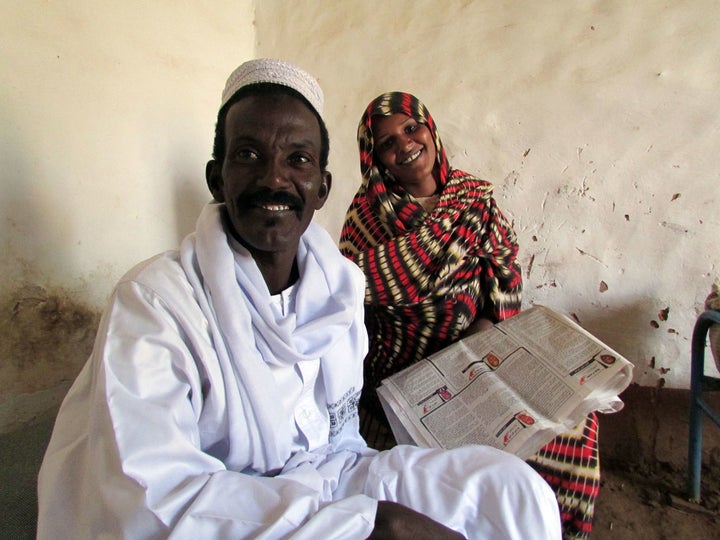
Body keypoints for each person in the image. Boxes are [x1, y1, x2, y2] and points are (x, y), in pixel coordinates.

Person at [36, 60, 561, 539]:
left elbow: (340, 441)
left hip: (334, 473)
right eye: (248, 155)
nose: (274, 178)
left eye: (298, 159)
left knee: (511, 491)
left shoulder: (339, 287)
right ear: (216, 179)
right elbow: (151, 499)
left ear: (322, 187)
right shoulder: (155, 305)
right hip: (232, 510)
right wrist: (363, 527)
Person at [340, 92, 600, 539]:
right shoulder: (365, 219)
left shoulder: (475, 200)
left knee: (576, 427)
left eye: (410, 128)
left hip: (477, 359)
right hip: (401, 374)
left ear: (430, 128)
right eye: (386, 142)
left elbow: (504, 277)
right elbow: (347, 309)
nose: (404, 145)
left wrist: (483, 335)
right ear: (375, 158)